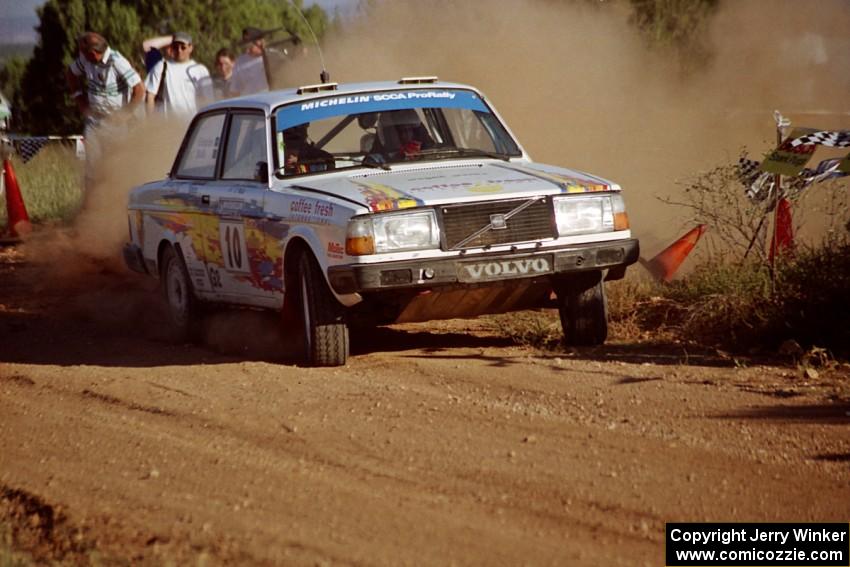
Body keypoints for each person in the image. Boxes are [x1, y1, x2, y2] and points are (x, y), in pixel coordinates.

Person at [66, 31, 144, 188]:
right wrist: (80, 100)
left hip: (115, 122)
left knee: (116, 167)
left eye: (83, 51)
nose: (80, 54)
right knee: (92, 169)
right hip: (94, 121)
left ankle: (116, 203)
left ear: (93, 52)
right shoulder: (84, 60)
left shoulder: (117, 62)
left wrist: (125, 114)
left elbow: (139, 89)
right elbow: (71, 73)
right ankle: (91, 206)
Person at [145, 32, 213, 116]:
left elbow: (208, 99)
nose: (179, 50)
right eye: (175, 47)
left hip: (192, 123)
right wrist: (151, 122)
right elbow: (150, 96)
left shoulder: (200, 70)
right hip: (167, 123)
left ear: (190, 48)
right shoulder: (162, 66)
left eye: (183, 47)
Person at [230, 27, 270, 96]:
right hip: (250, 102)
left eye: (250, 44)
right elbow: (235, 90)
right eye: (246, 44)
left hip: (271, 99)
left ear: (260, 41)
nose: (247, 47)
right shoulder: (240, 62)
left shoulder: (273, 55)